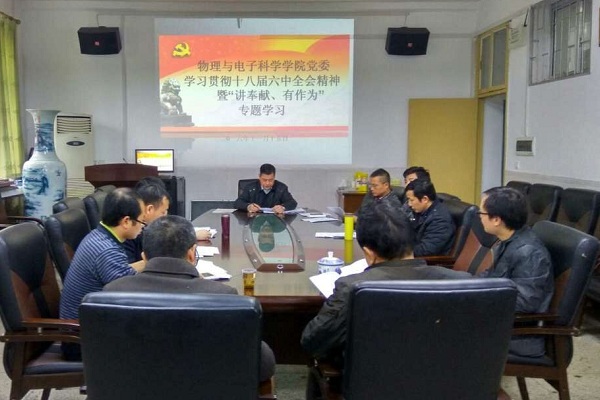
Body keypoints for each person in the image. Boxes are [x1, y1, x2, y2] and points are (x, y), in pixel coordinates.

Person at [104, 215, 276, 382]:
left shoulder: (112, 293)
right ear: (192, 254)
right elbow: (263, 366)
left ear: (144, 257)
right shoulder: (221, 297)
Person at [301, 201, 471, 363]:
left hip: (370, 379)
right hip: (446, 376)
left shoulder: (354, 287)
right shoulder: (463, 283)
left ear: (369, 254)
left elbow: (312, 340)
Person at [60, 187, 146, 360]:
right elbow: (130, 292)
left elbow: (124, 272)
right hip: (81, 339)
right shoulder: (107, 251)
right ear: (126, 221)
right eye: (142, 222)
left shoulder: (99, 236)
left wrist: (149, 263)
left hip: (88, 324)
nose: (143, 228)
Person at [477, 186, 553, 358]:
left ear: (496, 219)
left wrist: (478, 298)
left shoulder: (529, 252)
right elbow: (491, 277)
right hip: (499, 321)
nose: (479, 218)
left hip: (519, 335)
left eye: (481, 213)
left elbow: (525, 303)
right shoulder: (508, 240)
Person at [404, 179, 455, 257]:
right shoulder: (420, 210)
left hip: (428, 261)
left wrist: (399, 252)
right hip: (413, 253)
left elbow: (426, 250)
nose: (409, 204)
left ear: (425, 199)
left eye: (411, 200)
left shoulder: (440, 219)